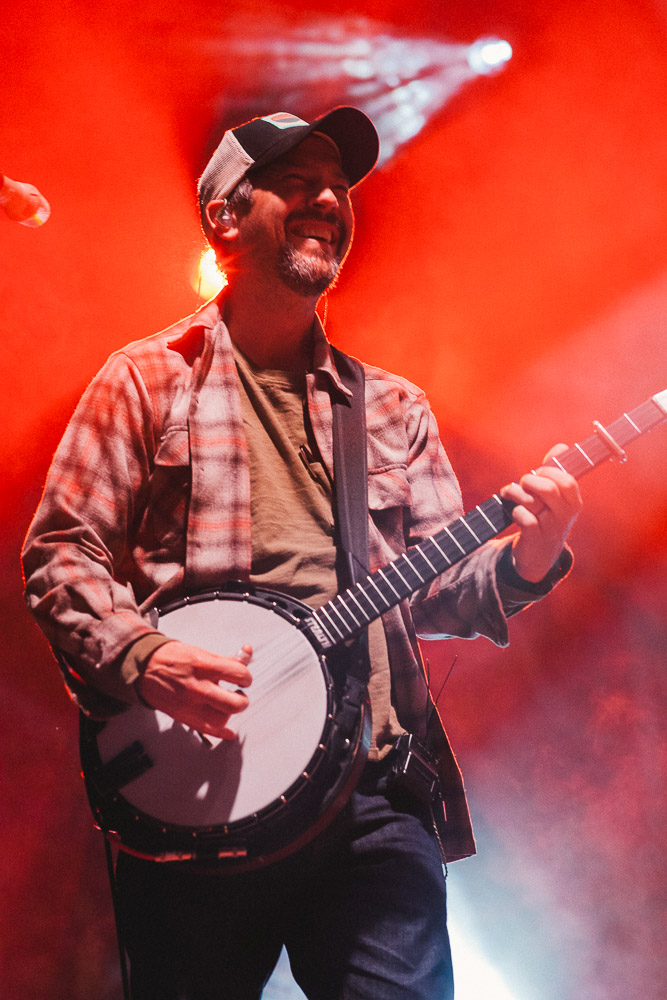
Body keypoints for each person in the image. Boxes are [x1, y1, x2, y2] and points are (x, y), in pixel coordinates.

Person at [21, 107, 582, 1000]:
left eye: (337, 185)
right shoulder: (144, 377)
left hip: (371, 799)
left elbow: (438, 595)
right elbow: (61, 554)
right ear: (225, 218)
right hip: (199, 793)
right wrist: (142, 656)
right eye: (295, 181)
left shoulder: (391, 407)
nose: (328, 197)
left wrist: (531, 552)